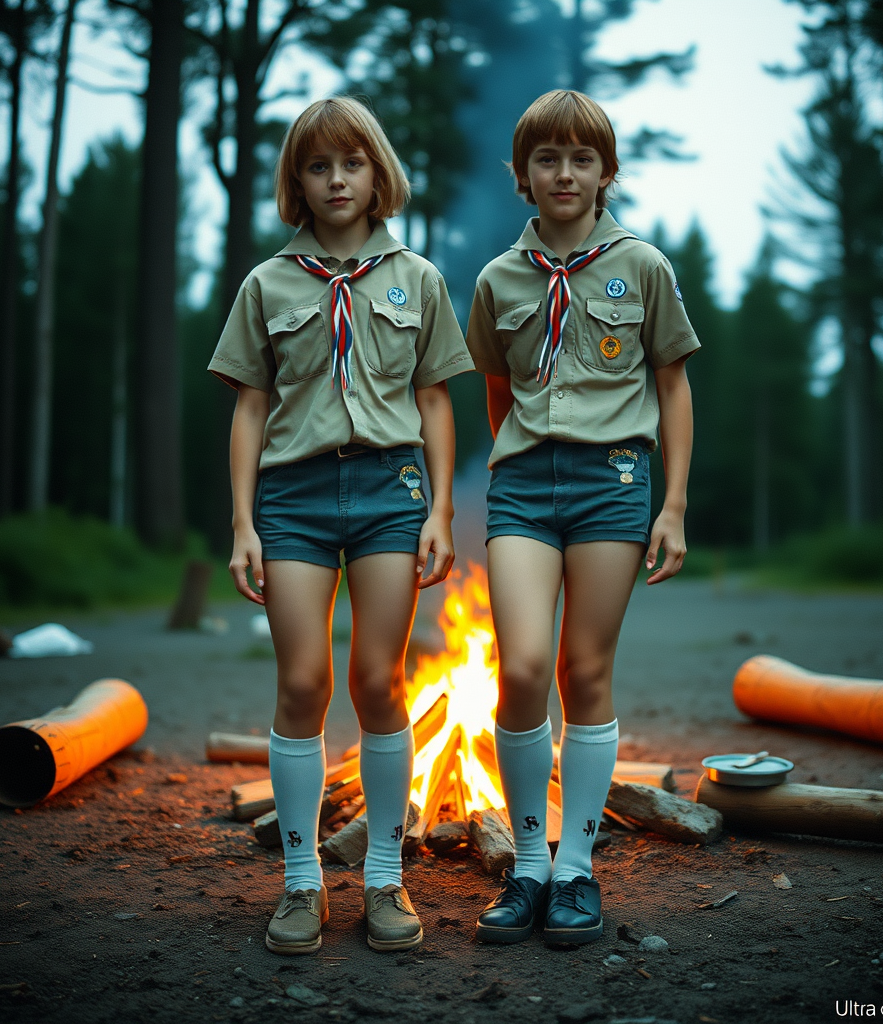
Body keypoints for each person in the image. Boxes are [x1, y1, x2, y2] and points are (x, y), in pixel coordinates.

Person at [208, 97, 473, 955]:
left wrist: (438, 508)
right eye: (317, 167)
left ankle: (386, 880)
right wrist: (243, 522)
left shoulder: (418, 279)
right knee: (300, 686)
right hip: (291, 497)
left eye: (350, 164)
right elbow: (251, 408)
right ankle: (299, 885)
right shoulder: (268, 284)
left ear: (375, 173)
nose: (335, 180)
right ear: (299, 181)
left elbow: (434, 400)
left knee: (380, 682)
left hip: (391, 491)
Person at [464, 90, 698, 946]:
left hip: (616, 481)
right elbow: (497, 389)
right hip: (526, 485)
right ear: (523, 176)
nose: (565, 172)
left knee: (583, 671)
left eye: (582, 158)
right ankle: (529, 865)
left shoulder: (642, 267)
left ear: (606, 173)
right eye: (547, 159)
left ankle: (576, 871)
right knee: (522, 666)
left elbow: (673, 384)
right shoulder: (498, 279)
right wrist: (527, 455)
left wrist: (670, 504)